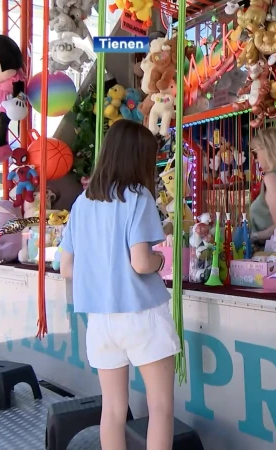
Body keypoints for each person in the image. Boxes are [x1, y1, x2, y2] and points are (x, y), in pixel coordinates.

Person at [59, 120, 179, 450]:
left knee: (112, 411)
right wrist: (162, 260)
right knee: (160, 409)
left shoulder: (82, 203)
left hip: (100, 321)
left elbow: (67, 268)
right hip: (142, 314)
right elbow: (141, 262)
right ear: (138, 158)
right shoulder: (138, 198)